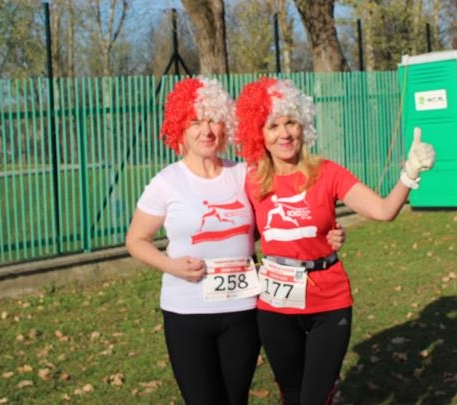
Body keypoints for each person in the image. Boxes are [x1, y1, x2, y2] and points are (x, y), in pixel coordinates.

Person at [125, 77, 345, 405]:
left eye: (214, 120)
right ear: (180, 128)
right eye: (195, 122)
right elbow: (136, 240)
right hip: (187, 310)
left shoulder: (245, 174)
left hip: (242, 310)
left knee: (236, 398)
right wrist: (171, 266)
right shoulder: (166, 182)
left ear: (226, 124)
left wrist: (325, 231)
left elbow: (281, 215)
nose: (206, 130)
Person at [233, 77, 436, 405]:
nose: (285, 133)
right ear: (259, 134)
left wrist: (409, 174)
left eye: (291, 122)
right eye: (273, 126)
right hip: (275, 305)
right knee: (292, 394)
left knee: (315, 397)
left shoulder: (327, 172)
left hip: (328, 301)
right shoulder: (251, 180)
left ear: (303, 126)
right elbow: (240, 232)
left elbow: (383, 211)